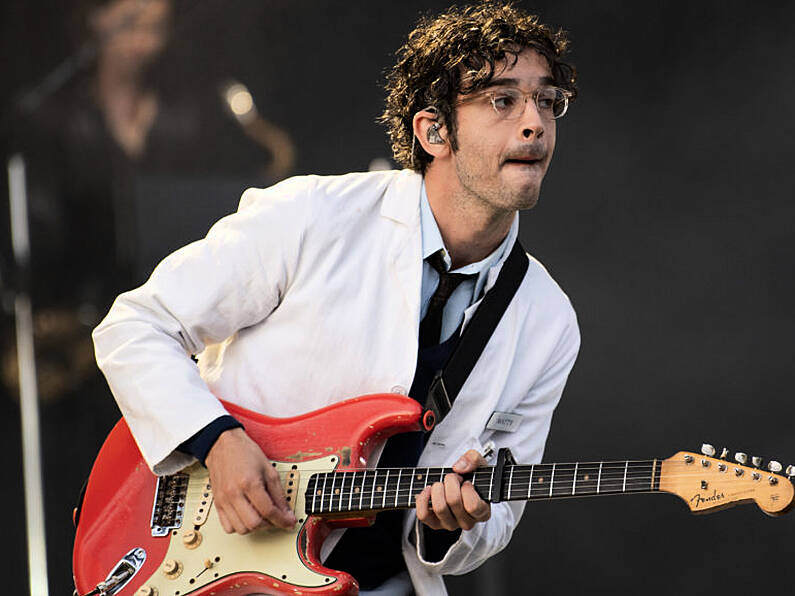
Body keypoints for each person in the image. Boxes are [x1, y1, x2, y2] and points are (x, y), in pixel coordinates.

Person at [92, 3, 580, 595]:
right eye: (503, 100)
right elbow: (135, 326)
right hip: (206, 558)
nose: (536, 123)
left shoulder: (549, 320)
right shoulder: (314, 215)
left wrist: (450, 526)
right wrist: (216, 442)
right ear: (433, 131)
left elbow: (496, 516)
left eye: (548, 100)